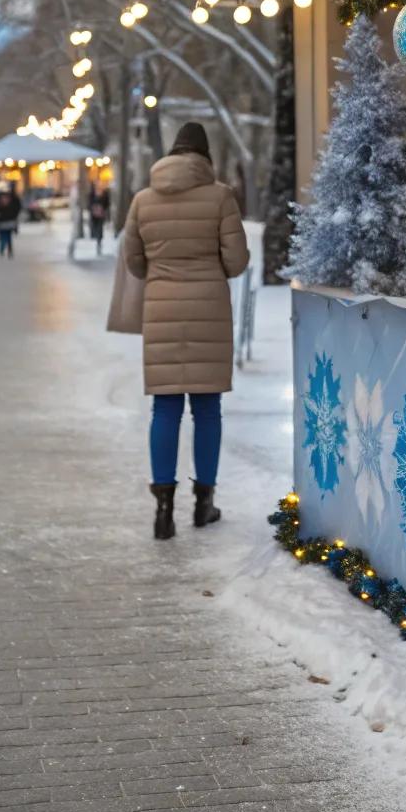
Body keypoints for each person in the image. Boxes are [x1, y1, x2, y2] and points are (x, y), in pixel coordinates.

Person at [123, 121, 249, 539]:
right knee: (207, 410)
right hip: (208, 313)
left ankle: (163, 512)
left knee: (165, 410)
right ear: (204, 157)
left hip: (160, 311)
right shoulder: (221, 198)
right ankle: (203, 504)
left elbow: (135, 263)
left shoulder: (142, 200)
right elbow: (236, 262)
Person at [0, 183, 23, 259]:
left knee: (3, 235)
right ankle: (9, 249)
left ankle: (2, 248)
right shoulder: (13, 198)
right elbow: (18, 207)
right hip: (9, 220)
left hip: (2, 220)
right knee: (8, 236)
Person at [87, 181, 111, 255]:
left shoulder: (105, 193)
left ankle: (99, 242)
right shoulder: (92, 193)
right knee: (94, 227)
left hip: (101, 214)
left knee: (100, 228)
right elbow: (89, 203)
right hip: (94, 214)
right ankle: (94, 240)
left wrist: (102, 209)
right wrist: (92, 208)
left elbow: (107, 203)